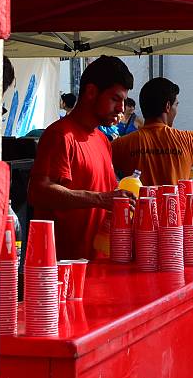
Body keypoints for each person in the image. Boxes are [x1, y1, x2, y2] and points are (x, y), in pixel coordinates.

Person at [28, 56, 135, 260]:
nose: (121, 108)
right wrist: (101, 199)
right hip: (66, 267)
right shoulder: (60, 135)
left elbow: (106, 196)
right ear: (91, 92)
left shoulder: (103, 140)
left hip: (101, 265)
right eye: (115, 99)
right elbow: (38, 192)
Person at [112, 77, 193, 186]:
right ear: (168, 106)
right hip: (176, 204)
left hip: (138, 204)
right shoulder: (190, 141)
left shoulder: (120, 146)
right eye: (176, 105)